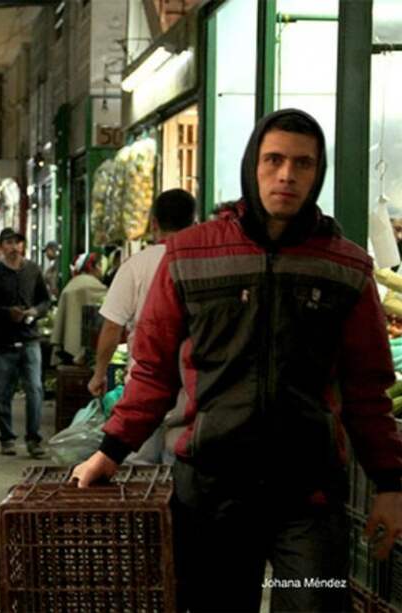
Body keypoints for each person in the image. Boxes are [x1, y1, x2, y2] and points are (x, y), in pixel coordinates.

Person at [72, 109, 402, 612]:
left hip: (309, 498)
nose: (287, 175)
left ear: (318, 173)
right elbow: (153, 372)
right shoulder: (189, 256)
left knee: (316, 604)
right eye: (274, 160)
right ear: (253, 165)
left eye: (303, 164)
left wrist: (390, 484)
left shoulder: (345, 266)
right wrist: (110, 451)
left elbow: (367, 389)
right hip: (211, 491)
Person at [88, 189, 196, 464]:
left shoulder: (135, 266)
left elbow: (112, 328)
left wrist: (99, 374)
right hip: (191, 391)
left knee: (139, 475)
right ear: (195, 222)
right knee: (178, 473)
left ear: (154, 223)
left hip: (143, 386)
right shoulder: (198, 264)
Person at [0, 228, 51, 458]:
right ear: (1, 246)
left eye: (17, 243)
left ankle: (34, 439)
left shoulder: (32, 270)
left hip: (30, 337)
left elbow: (45, 300)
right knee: (2, 391)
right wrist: (6, 313)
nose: (13, 247)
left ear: (22, 246)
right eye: (8, 243)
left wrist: (35, 311)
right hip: (3, 340)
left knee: (35, 389)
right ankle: (7, 438)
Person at [50, 251, 107, 365]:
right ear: (93, 266)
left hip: (68, 347)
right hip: (87, 348)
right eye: (100, 265)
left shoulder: (72, 284)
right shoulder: (94, 286)